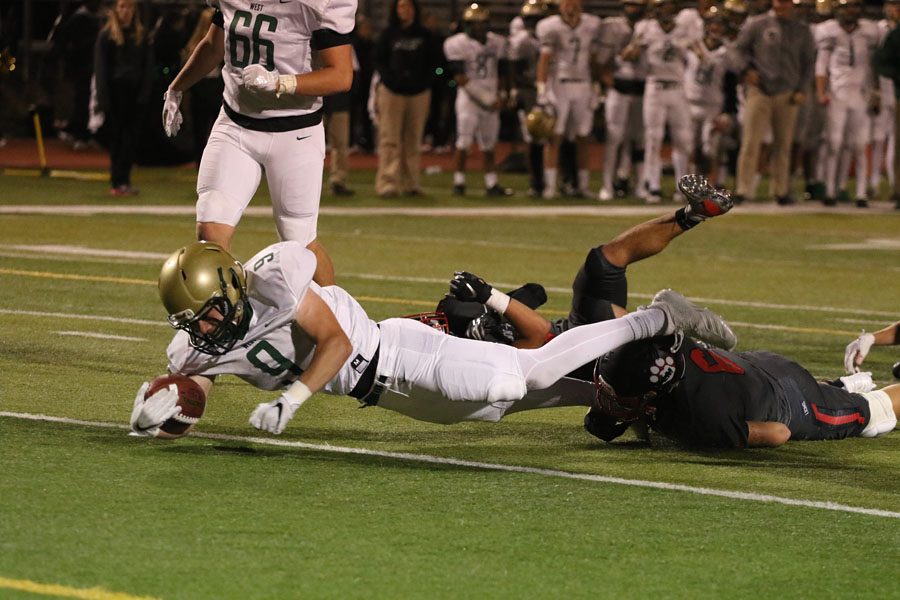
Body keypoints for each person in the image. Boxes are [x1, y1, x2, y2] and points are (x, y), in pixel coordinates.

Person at [128, 240, 736, 437]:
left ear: (230, 287)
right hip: (386, 395)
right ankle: (615, 399)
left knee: (529, 372)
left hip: (396, 352)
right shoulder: (199, 339)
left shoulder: (273, 282)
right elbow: (198, 382)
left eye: (206, 313)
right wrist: (164, 409)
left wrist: (293, 398)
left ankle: (656, 317)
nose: (202, 327)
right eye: (193, 320)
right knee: (501, 403)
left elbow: (335, 340)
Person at [160, 0, 356, 286]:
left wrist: (282, 83)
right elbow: (214, 44)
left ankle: (340, 318)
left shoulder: (316, 4)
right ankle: (231, 322)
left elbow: (341, 75)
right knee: (210, 231)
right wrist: (176, 88)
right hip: (235, 125)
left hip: (296, 131)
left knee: (299, 243)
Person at [439, 175, 734, 354]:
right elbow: (541, 336)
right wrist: (489, 297)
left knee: (602, 262)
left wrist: (489, 304)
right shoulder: (485, 356)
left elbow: (535, 292)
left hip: (580, 330)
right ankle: (670, 328)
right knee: (643, 337)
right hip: (583, 350)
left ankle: (692, 214)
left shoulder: (479, 322)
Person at [585, 334, 898, 448]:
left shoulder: (704, 416)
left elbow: (778, 433)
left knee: (874, 413)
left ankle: (847, 396)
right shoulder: (662, 344)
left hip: (793, 402)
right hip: (760, 364)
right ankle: (841, 386)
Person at [733, 0, 815, 204]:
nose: (782, 5)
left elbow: (809, 63)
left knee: (784, 144)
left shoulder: (802, 30)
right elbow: (738, 50)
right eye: (779, 1)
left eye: (786, 2)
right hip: (760, 89)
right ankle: (743, 189)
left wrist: (802, 89)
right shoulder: (757, 23)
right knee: (751, 141)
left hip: (787, 92)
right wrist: (746, 70)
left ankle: (780, 190)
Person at [624, 0, 699, 203]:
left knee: (682, 138)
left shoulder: (686, 28)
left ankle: (682, 186)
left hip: (677, 86)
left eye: (665, 5)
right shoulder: (645, 28)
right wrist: (635, 47)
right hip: (655, 86)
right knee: (653, 137)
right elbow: (628, 56)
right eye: (658, 6)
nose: (662, 10)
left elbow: (700, 55)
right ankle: (653, 185)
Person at [373, 0, 444, 198]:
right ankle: (388, 182)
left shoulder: (425, 35)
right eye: (401, 7)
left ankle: (411, 182)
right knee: (390, 138)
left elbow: (436, 63)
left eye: (408, 6)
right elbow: (379, 61)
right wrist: (391, 80)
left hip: (418, 92)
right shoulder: (389, 34)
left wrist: (425, 81)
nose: (405, 11)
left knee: (413, 139)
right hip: (392, 92)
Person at [444, 3, 514, 197]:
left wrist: (501, 95)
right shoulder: (457, 43)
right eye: (474, 24)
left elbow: (502, 72)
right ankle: (459, 182)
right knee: (464, 142)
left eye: (482, 23)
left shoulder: (497, 42)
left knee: (489, 144)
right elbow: (460, 78)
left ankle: (491, 183)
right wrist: (486, 99)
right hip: (469, 97)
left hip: (491, 95)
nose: (479, 28)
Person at [815, 0, 880, 207]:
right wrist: (821, 91)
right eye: (845, 7)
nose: (849, 11)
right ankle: (830, 191)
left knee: (860, 145)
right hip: (838, 95)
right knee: (834, 143)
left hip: (860, 95)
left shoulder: (869, 32)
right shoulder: (828, 31)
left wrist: (875, 93)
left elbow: (873, 65)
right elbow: (821, 65)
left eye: (852, 7)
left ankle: (861, 193)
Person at [535, 0, 603, 199]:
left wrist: (596, 86)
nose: (569, 6)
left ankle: (582, 186)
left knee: (583, 136)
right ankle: (550, 187)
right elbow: (544, 60)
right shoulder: (549, 26)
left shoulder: (592, 24)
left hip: (583, 83)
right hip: (559, 84)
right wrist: (542, 89)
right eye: (565, 2)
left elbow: (593, 57)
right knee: (554, 136)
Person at [93, 0, 153, 197]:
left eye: (128, 7)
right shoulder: (106, 36)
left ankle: (125, 180)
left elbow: (147, 68)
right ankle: (117, 181)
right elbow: (101, 70)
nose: (125, 11)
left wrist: (145, 94)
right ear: (115, 9)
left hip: (135, 96)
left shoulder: (142, 36)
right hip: (115, 94)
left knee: (131, 139)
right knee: (117, 139)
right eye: (121, 7)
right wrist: (103, 99)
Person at [597, 0, 648, 201]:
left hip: (644, 89)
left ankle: (640, 185)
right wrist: (607, 82)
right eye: (630, 4)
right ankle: (607, 185)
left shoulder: (650, 27)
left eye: (636, 5)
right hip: (619, 87)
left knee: (640, 139)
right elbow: (600, 60)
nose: (632, 8)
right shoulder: (612, 26)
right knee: (614, 138)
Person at [873, 0, 900, 209]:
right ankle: (897, 190)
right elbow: (881, 61)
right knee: (892, 142)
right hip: (894, 94)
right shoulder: (893, 34)